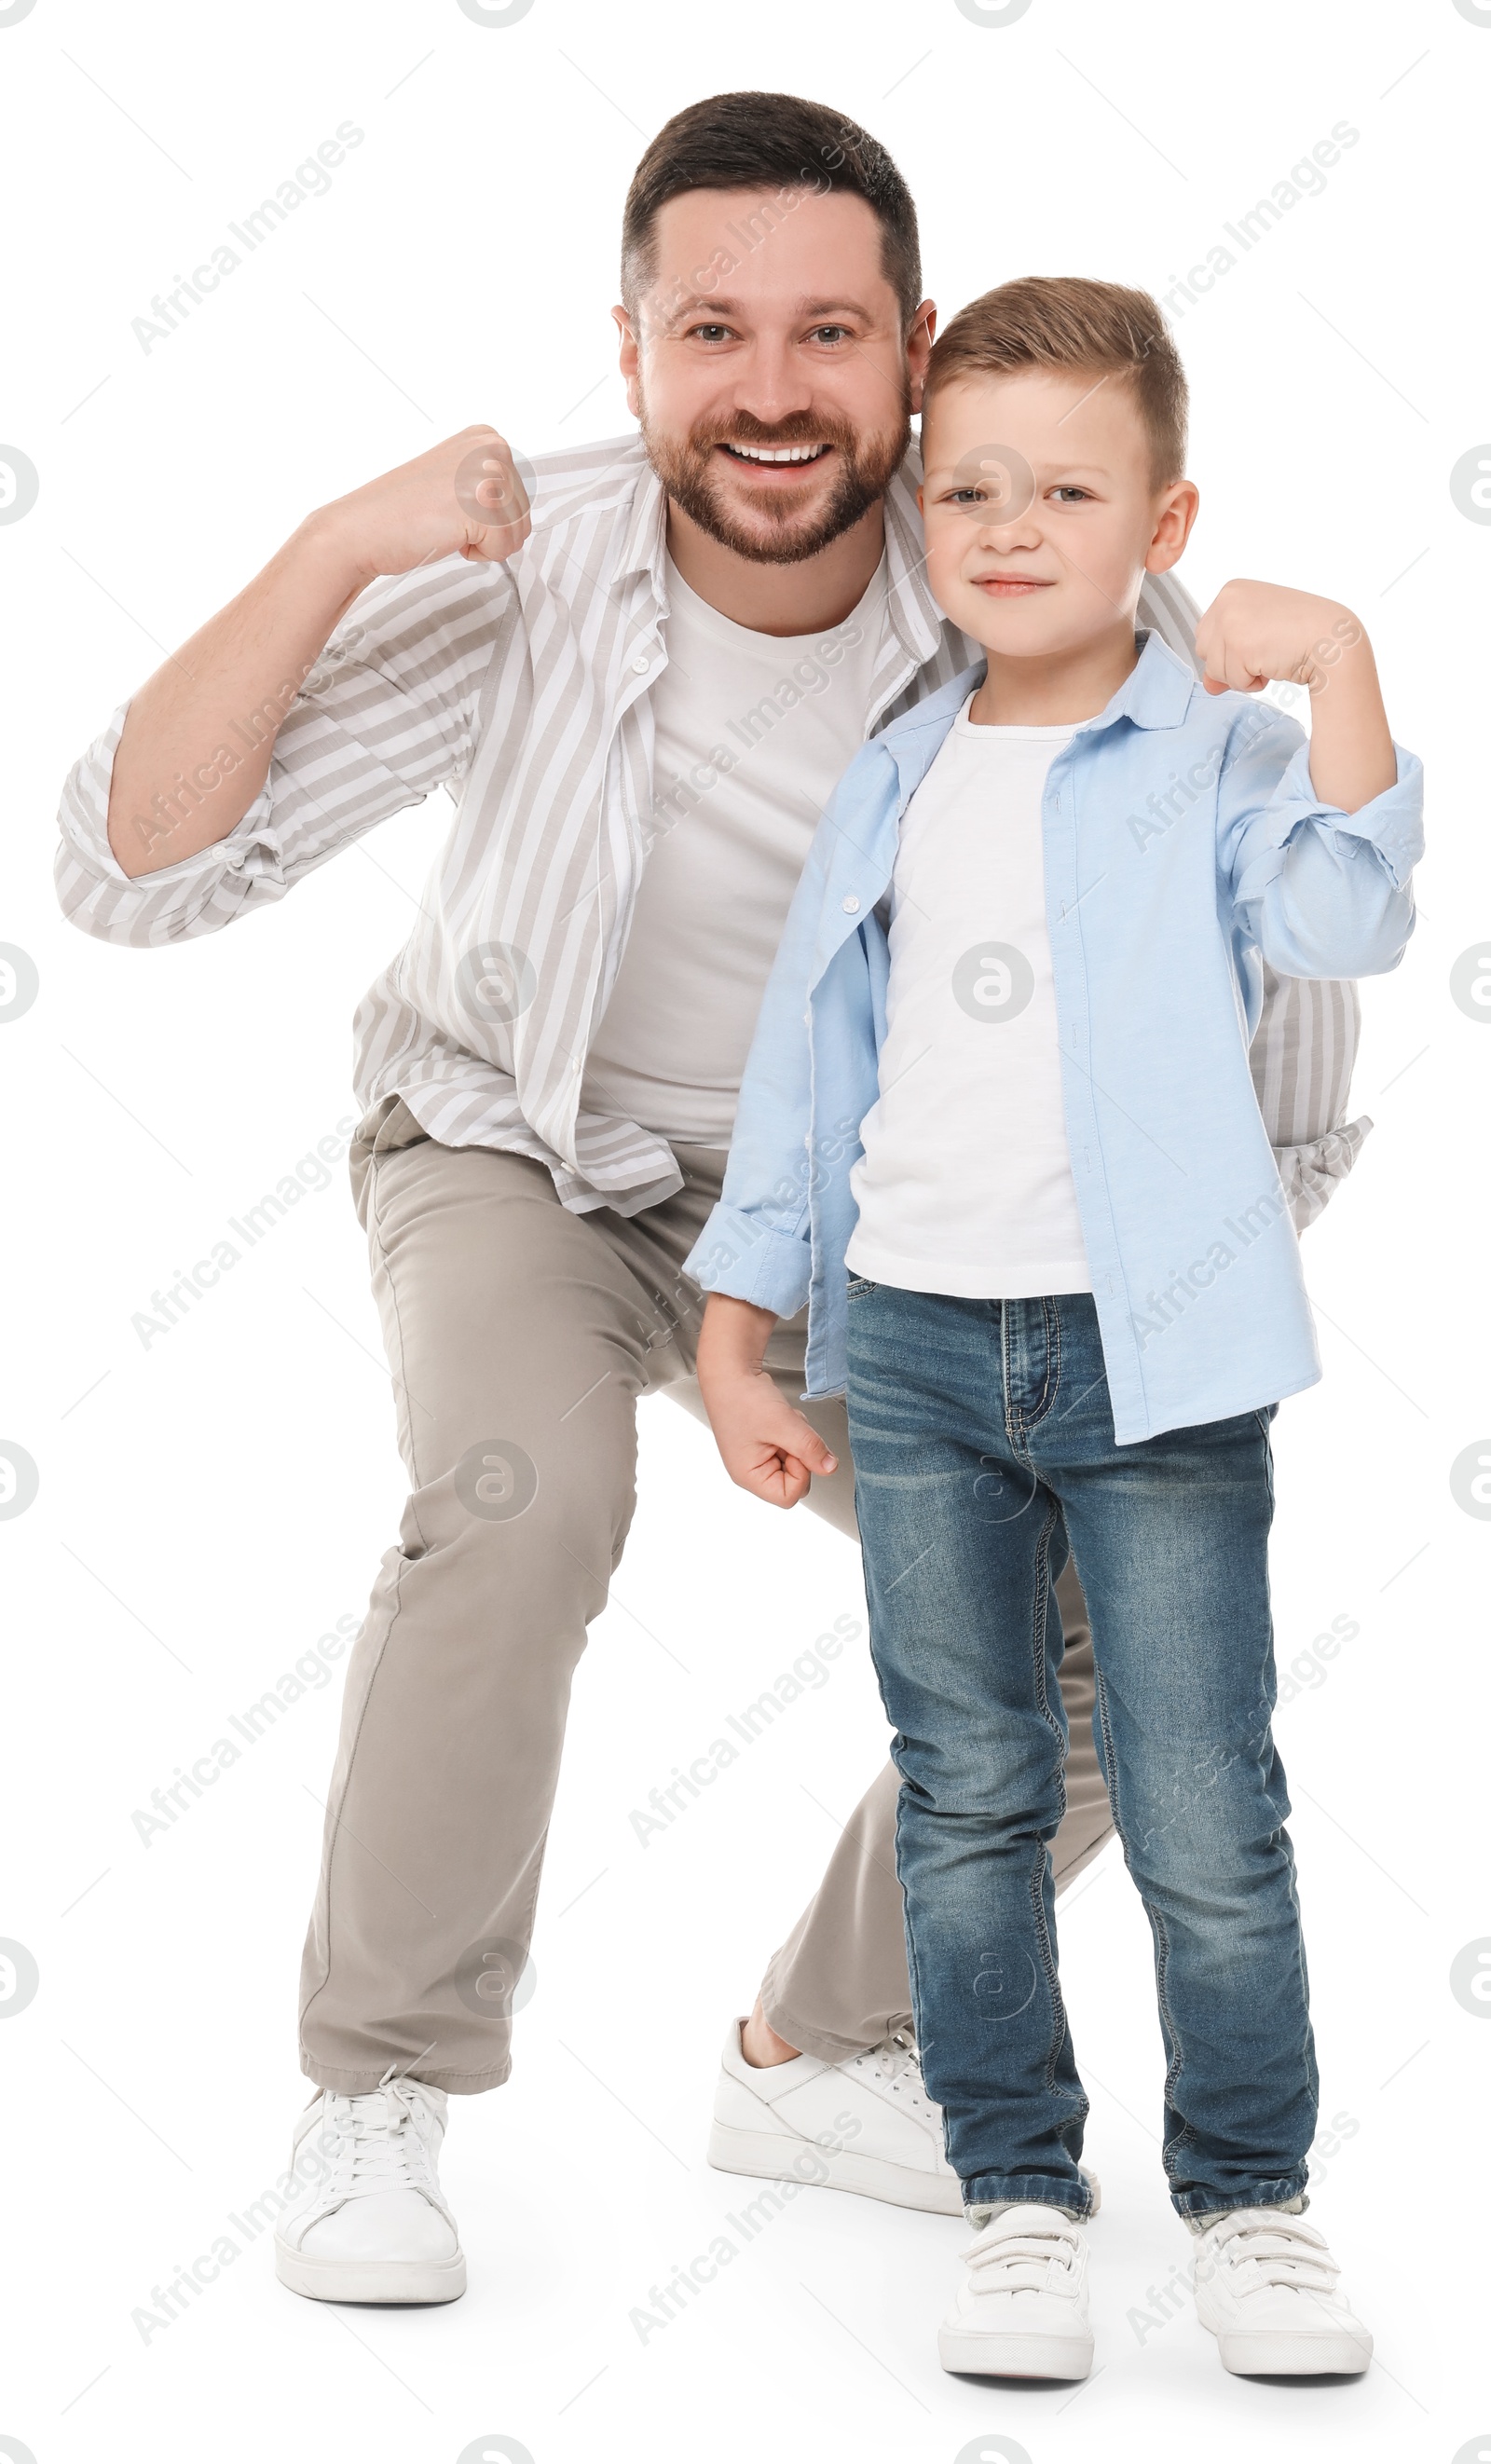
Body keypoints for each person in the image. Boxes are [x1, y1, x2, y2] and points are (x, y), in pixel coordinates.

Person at [55, 98, 1367, 2308]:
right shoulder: (526, 568)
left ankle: (819, 2040)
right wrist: (323, 545)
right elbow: (125, 869)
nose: (770, 389)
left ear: (915, 351)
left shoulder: (1050, 599)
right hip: (521, 1158)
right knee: (516, 1493)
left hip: (877, 1241)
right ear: (634, 347)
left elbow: (1281, 1063)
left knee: (1099, 1649)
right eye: (710, 331)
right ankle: (376, 2084)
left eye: (830, 332)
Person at [690, 275, 1421, 2381]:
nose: (1010, 526)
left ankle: (1252, 2204)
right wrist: (747, 1325)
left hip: (1148, 1356)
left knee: (1198, 1793)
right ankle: (1011, 2186)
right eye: (971, 486)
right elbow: (801, 1071)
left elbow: (1345, 914)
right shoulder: (898, 770)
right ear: (926, 511)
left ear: (1161, 522)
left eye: (1067, 489)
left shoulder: (1211, 755)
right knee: (969, 1784)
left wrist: (1348, 668)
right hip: (912, 1349)